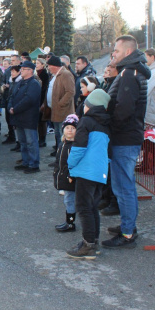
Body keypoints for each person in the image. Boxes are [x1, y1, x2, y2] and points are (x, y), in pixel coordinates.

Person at [102, 35, 151, 249]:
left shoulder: (129, 74)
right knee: (122, 185)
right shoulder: (127, 71)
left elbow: (124, 109)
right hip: (124, 137)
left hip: (124, 138)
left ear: (128, 52)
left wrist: (110, 126)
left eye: (117, 50)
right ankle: (127, 224)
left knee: (124, 187)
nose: (114, 53)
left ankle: (128, 233)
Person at [65, 89, 111, 259]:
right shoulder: (106, 125)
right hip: (100, 171)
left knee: (83, 207)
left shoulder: (86, 122)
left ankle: (88, 246)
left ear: (90, 106)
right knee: (92, 208)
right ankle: (93, 241)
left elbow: (79, 147)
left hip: (86, 171)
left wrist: (70, 164)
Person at [8, 61, 42, 173]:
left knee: (31, 142)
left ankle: (34, 164)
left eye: (23, 69)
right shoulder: (20, 83)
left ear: (30, 71)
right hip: (19, 117)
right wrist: (10, 106)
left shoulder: (34, 84)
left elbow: (29, 100)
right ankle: (26, 162)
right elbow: (12, 96)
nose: (21, 71)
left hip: (28, 117)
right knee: (22, 141)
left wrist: (15, 108)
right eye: (21, 69)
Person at [52, 114, 80, 232]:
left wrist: (70, 175)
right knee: (68, 200)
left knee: (70, 200)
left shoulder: (74, 146)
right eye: (68, 128)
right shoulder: (63, 144)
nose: (70, 130)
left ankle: (70, 223)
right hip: (63, 176)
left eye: (73, 128)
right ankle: (69, 221)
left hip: (70, 178)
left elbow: (75, 163)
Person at [45, 55, 76, 156]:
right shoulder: (56, 74)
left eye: (49, 65)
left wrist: (60, 104)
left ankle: (63, 156)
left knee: (63, 135)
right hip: (56, 111)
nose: (48, 68)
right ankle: (59, 155)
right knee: (58, 135)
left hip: (63, 112)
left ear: (54, 66)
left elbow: (70, 92)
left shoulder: (65, 74)